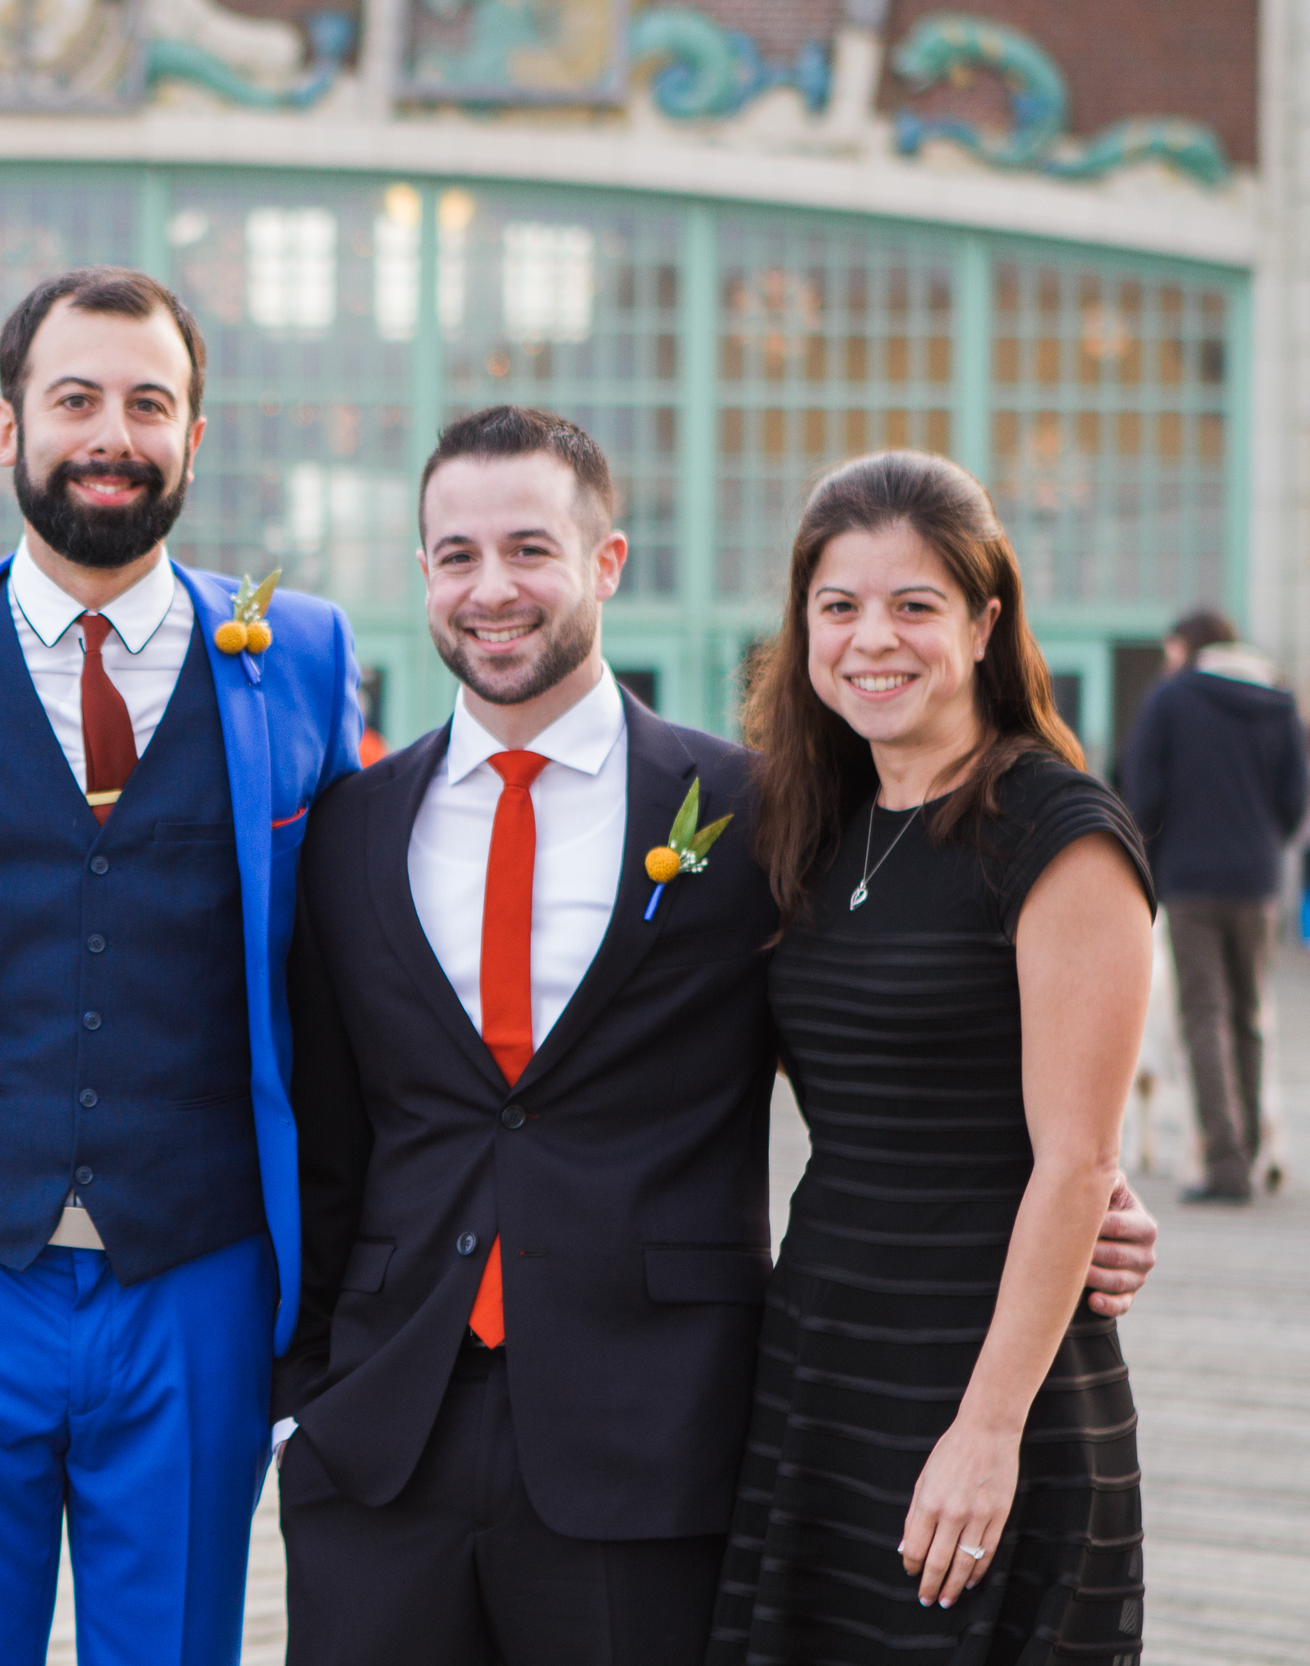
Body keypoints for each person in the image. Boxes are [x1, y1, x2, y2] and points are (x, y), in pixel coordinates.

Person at [275, 410, 1158, 1666]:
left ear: (607, 561)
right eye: (457, 553)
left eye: (531, 546)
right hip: (383, 1436)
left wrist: (1094, 1195)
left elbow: (929, 1028)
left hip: (652, 1435)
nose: (494, 587)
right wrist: (304, 1397)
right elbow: (325, 1126)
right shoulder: (351, 829)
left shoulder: (756, 816)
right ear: (422, 573)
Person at [0, 267, 361, 1666]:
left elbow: (355, 938)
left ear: (198, 436)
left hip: (198, 1264)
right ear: (4, 429)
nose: (112, 433)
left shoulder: (304, 655)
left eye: (151, 403)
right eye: (74, 398)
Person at [708, 451, 1153, 1660]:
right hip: (824, 1361)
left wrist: (985, 1430)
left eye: (915, 605)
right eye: (838, 605)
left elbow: (1074, 1162)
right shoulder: (818, 824)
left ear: (984, 622)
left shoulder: (1057, 835)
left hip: (985, 1373)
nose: (873, 639)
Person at [1122, 606, 1308, 1203]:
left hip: (1190, 881)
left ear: (1191, 647)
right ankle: (1250, 1152)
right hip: (1256, 884)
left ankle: (1225, 1163)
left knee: (1203, 1016)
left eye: (1172, 647)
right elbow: (1295, 797)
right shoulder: (1279, 701)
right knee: (1249, 1014)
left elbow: (1140, 790)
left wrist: (1151, 852)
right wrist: (1262, 845)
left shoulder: (1171, 699)